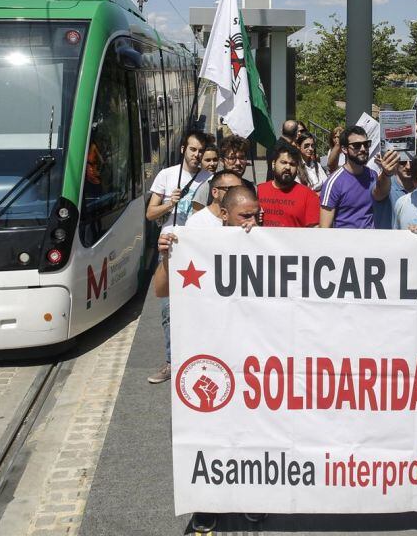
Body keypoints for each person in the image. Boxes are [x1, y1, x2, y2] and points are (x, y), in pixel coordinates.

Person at [153, 184, 263, 533]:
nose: (253, 221)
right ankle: (206, 505)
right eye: (246, 215)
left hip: (251, 358)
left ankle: (253, 495)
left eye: (257, 215)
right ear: (225, 215)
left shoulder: (267, 243)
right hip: (210, 358)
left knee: (253, 432)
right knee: (208, 433)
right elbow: (160, 290)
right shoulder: (197, 244)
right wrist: (169, 256)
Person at [145, 130, 211, 385]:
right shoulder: (167, 175)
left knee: (199, 309)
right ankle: (172, 361)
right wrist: (169, 205)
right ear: (184, 149)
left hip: (198, 253)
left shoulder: (210, 179)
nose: (197, 155)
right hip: (170, 251)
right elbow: (151, 214)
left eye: (200, 151)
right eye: (193, 150)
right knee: (168, 309)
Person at [319, 125, 397, 229]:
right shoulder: (333, 183)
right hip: (346, 243)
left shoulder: (372, 175)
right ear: (344, 149)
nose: (363, 149)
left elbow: (382, 194)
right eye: (356, 145)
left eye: (366, 144)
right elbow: (324, 227)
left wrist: (386, 173)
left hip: (372, 241)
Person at [258, 141, 320, 227]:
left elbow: (314, 231)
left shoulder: (309, 196)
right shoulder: (258, 191)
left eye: (292, 164)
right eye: (283, 162)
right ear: (273, 164)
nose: (287, 167)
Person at [191, 135, 255, 211]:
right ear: (222, 161)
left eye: (242, 158)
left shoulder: (251, 188)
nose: (238, 162)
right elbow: (196, 219)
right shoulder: (208, 188)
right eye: (232, 158)